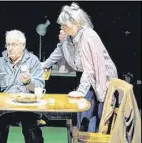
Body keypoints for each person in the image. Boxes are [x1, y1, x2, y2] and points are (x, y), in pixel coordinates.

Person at [42, 3, 118, 132]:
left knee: (98, 114)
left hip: (102, 77)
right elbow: (59, 51)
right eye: (62, 25)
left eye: (65, 25)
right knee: (84, 112)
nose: (62, 28)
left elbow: (91, 67)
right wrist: (44, 65)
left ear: (76, 23)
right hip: (87, 76)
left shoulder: (89, 36)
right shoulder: (70, 37)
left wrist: (81, 92)